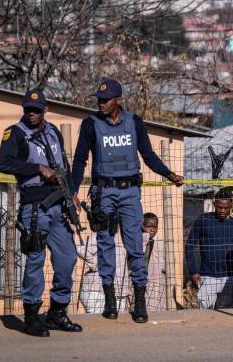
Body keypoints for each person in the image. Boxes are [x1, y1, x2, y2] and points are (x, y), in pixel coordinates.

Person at [71, 78, 184, 323]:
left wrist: (169, 174)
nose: (101, 104)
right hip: (103, 193)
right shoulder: (91, 124)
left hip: (130, 193)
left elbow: (148, 155)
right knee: (105, 245)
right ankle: (110, 300)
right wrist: (73, 191)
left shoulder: (134, 123)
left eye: (106, 100)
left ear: (118, 100)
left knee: (135, 245)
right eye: (99, 100)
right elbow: (79, 160)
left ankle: (140, 301)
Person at [0, 89, 82, 337]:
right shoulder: (15, 133)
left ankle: (57, 312)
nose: (31, 113)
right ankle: (32, 317)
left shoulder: (53, 132)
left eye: (36, 109)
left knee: (67, 258)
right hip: (34, 207)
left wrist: (72, 194)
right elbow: (4, 163)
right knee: (35, 260)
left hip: (59, 204)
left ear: (45, 110)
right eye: (28, 109)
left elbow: (63, 165)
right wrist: (36, 168)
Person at [185, 190, 233, 309]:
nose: (222, 211)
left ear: (231, 205)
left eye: (226, 208)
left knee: (229, 315)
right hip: (207, 277)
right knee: (203, 315)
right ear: (214, 204)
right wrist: (193, 271)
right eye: (219, 207)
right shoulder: (204, 220)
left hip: (230, 278)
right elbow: (189, 246)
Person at [142, 213, 166, 311]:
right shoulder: (140, 240)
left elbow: (166, 260)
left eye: (154, 227)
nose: (152, 229)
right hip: (144, 277)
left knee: (159, 303)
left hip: (159, 278)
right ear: (143, 226)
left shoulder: (161, 242)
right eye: (148, 226)